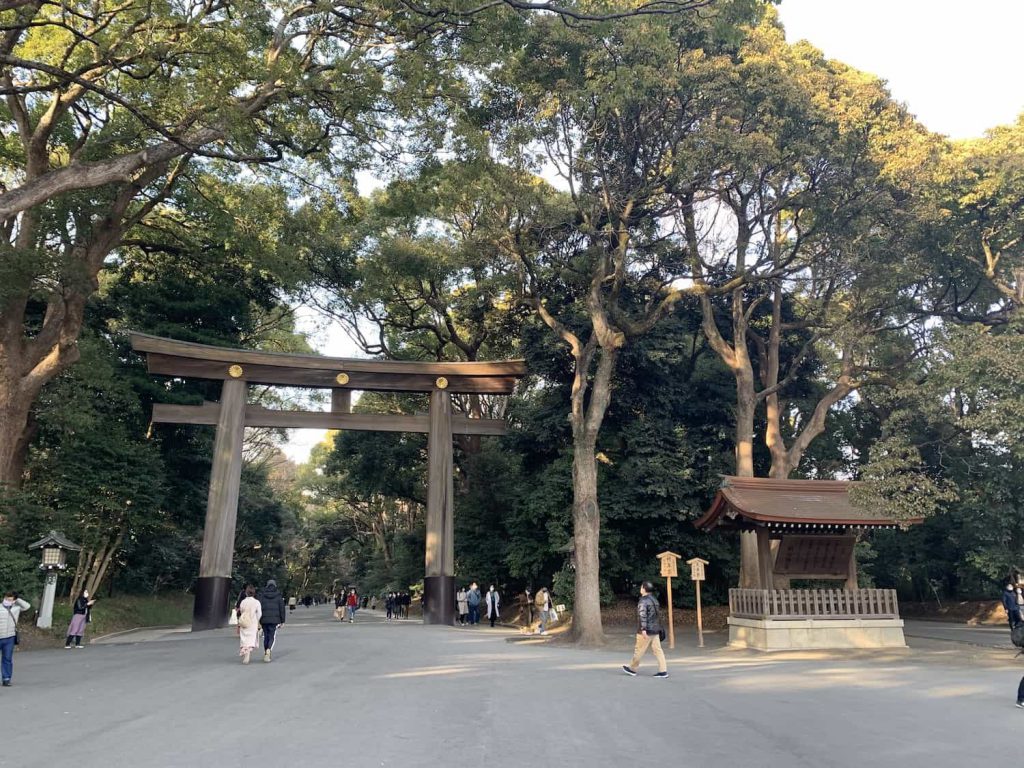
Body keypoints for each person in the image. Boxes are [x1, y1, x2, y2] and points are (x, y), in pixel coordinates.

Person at [622, 581, 668, 679]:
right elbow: (657, 616)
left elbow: (643, 615)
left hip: (646, 630)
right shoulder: (655, 600)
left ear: (644, 588)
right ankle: (663, 671)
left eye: (641, 587)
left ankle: (632, 669)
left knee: (639, 650)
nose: (640, 589)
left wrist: (643, 629)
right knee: (658, 650)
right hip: (655, 629)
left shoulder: (643, 601)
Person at [0, 591, 30, 687]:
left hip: (10, 637)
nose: (7, 601)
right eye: (6, 598)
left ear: (14, 601)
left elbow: (27, 606)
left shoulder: (16, 609)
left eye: (10, 599)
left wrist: (18, 599)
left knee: (7, 659)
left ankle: (6, 678)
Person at [258, 579, 286, 663]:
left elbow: (259, 608)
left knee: (266, 636)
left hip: (264, 619)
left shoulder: (262, 595)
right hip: (274, 620)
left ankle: (266, 651)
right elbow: (282, 609)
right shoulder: (278, 595)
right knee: (271, 636)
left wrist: (258, 619)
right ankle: (269, 650)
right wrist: (282, 621)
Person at [238, 585, 262, 664]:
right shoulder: (256, 602)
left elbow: (241, 610)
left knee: (244, 637)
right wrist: (257, 619)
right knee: (251, 638)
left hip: (244, 621)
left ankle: (245, 652)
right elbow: (259, 613)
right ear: (254, 593)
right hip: (252, 622)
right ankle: (247, 653)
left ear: (246, 593)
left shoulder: (243, 601)